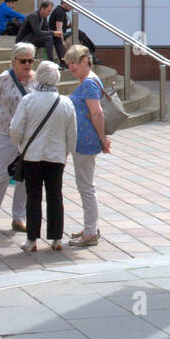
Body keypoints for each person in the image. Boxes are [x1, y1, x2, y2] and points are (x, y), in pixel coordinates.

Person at [9, 60, 79, 252]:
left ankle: (31, 239)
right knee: (55, 196)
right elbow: (72, 133)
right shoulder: (66, 102)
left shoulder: (29, 100)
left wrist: (20, 144)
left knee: (33, 197)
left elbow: (15, 128)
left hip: (32, 155)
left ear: (38, 76)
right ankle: (56, 238)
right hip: (56, 156)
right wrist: (67, 152)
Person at [0, 43, 35, 235]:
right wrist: (3, 119)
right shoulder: (3, 79)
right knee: (0, 176)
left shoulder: (35, 80)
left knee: (23, 178)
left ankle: (18, 218)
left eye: (31, 60)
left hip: (28, 137)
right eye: (23, 61)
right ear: (14, 61)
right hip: (5, 134)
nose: (27, 65)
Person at [65, 44, 111, 247]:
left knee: (86, 187)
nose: (70, 67)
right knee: (85, 185)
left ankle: (91, 232)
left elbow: (97, 113)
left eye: (73, 62)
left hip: (86, 142)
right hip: (83, 141)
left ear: (85, 60)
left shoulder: (89, 83)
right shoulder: (87, 81)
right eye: (68, 64)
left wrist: (103, 139)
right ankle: (90, 226)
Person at [49, 0, 72, 67]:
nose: (71, 8)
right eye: (70, 6)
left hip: (56, 34)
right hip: (56, 35)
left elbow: (60, 27)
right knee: (79, 33)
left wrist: (68, 26)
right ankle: (92, 55)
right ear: (65, 3)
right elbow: (59, 28)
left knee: (79, 33)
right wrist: (62, 41)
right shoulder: (60, 12)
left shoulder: (60, 10)